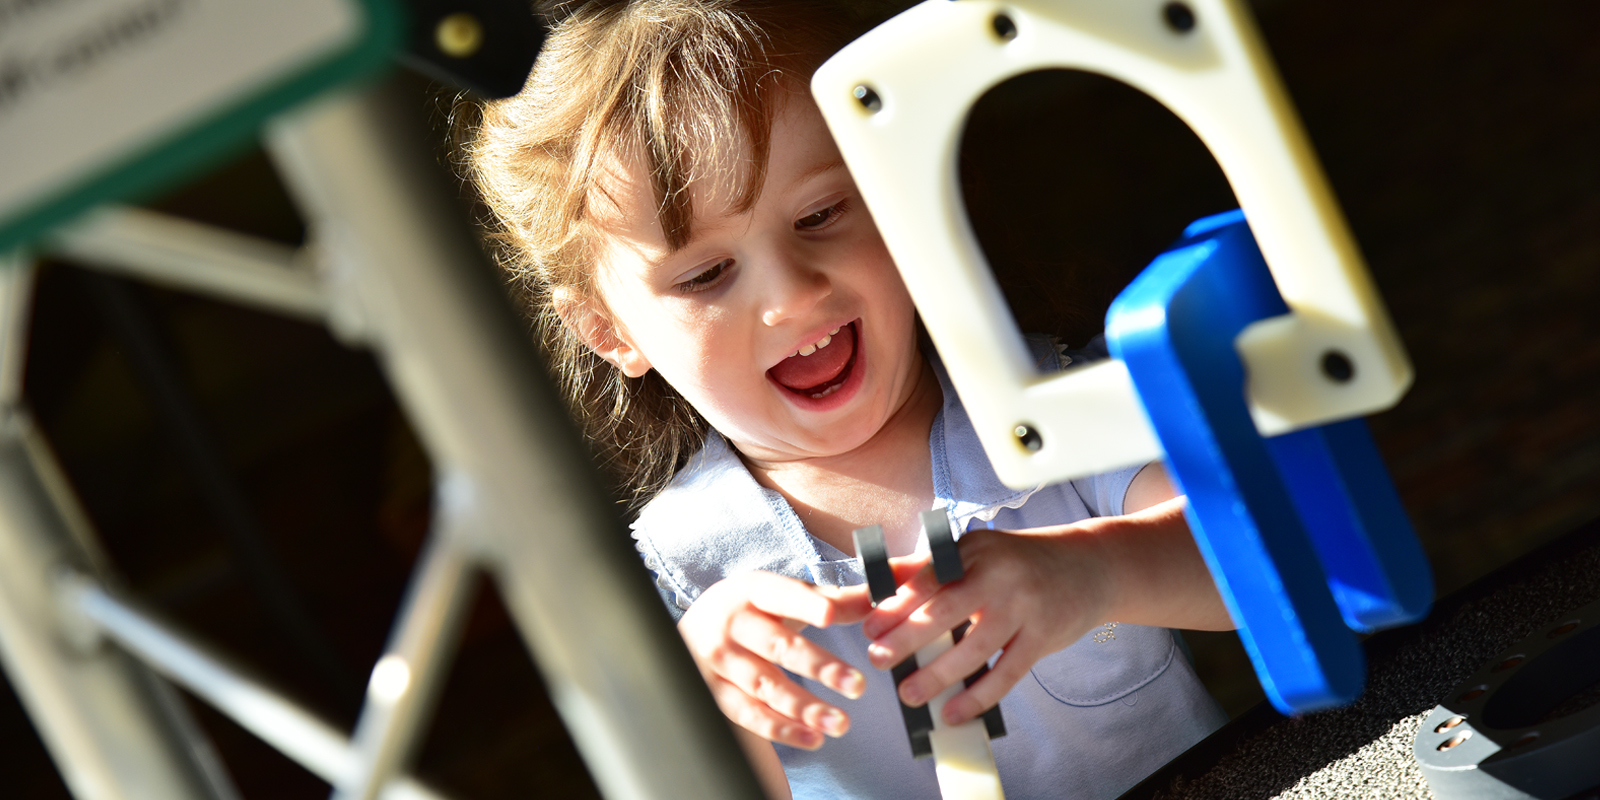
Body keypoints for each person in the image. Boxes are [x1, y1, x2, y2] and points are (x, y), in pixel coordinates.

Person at [464, 1, 1233, 797]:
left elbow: (1279, 553)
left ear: (899, 197)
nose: (793, 295)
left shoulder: (1045, 404)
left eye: (821, 215)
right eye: (706, 275)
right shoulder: (675, 575)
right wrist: (705, 709)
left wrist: (1095, 572)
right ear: (607, 330)